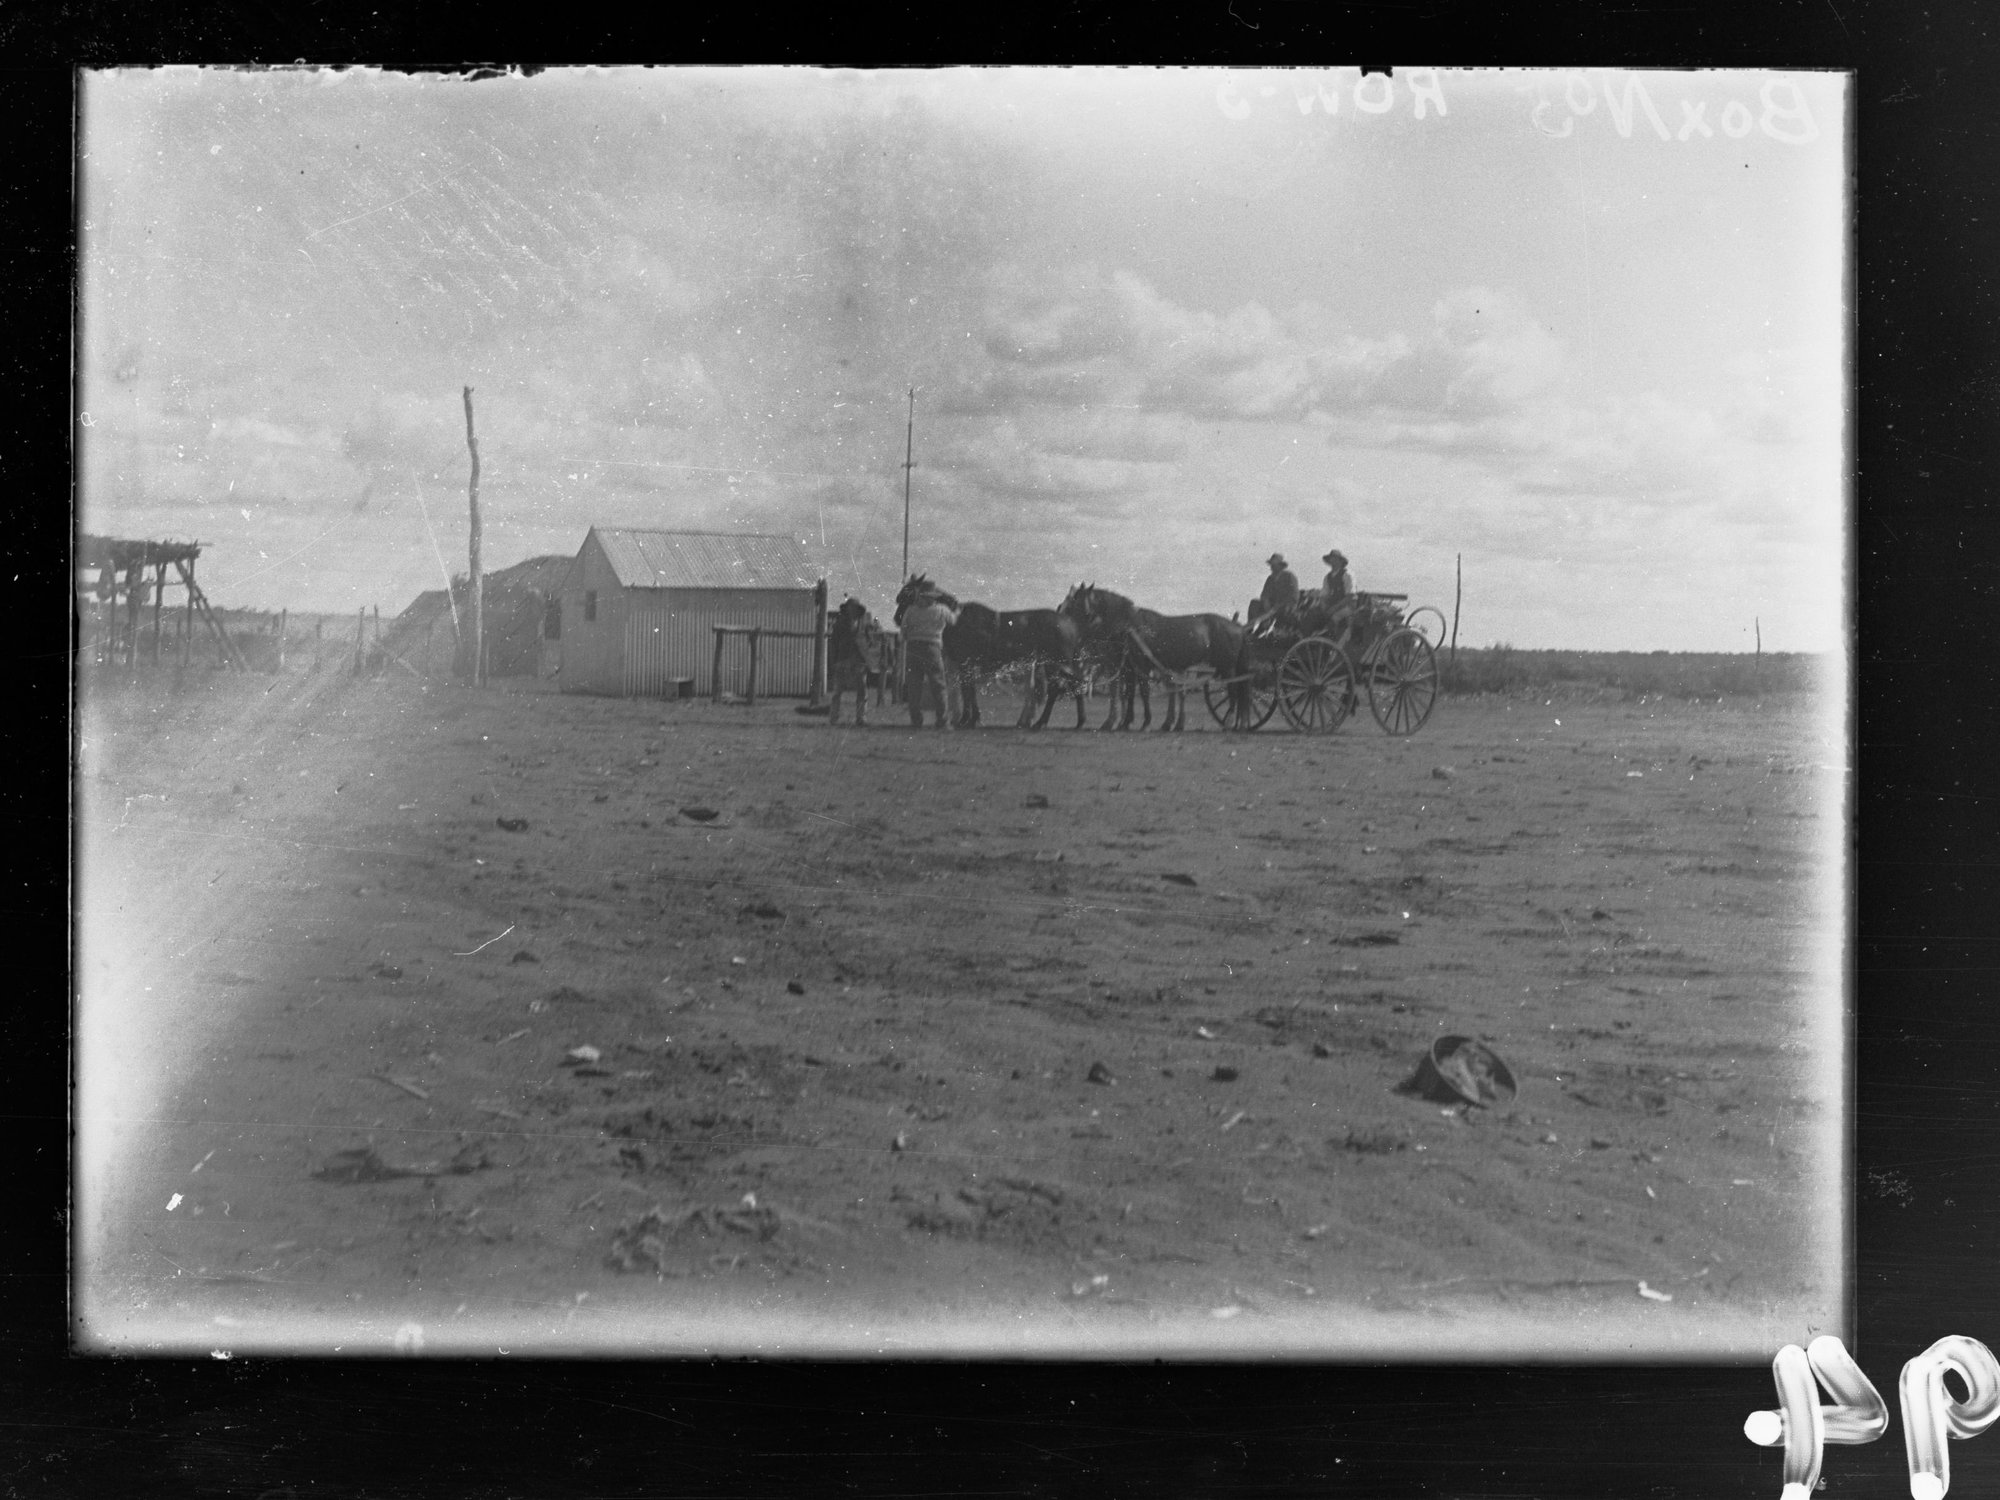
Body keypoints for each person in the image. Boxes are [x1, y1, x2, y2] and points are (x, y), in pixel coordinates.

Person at [898, 586, 959, 729]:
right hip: (932, 648)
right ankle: (942, 721)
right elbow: (954, 621)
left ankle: (916, 720)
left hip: (913, 648)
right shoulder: (941, 610)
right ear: (932, 597)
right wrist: (956, 610)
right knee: (938, 685)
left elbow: (903, 631)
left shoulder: (911, 610)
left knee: (914, 686)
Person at [826, 596, 883, 727]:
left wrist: (866, 653)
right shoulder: (839, 623)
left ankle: (861, 718)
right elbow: (833, 642)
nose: (852, 611)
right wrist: (834, 661)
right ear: (846, 610)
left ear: (858, 610)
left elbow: (870, 640)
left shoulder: (864, 623)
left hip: (859, 660)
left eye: (855, 608)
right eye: (850, 608)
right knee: (838, 690)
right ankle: (833, 718)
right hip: (843, 659)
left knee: (862, 689)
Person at [1253, 552, 1299, 621]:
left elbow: (1294, 595)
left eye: (1274, 565)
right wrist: (1266, 602)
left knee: (1284, 611)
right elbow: (1264, 594)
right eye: (1271, 565)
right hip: (1271, 607)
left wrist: (1279, 605)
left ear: (1280, 566)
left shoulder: (1289, 576)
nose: (1271, 567)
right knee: (1254, 604)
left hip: (1286, 606)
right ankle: (1249, 628)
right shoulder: (1270, 579)